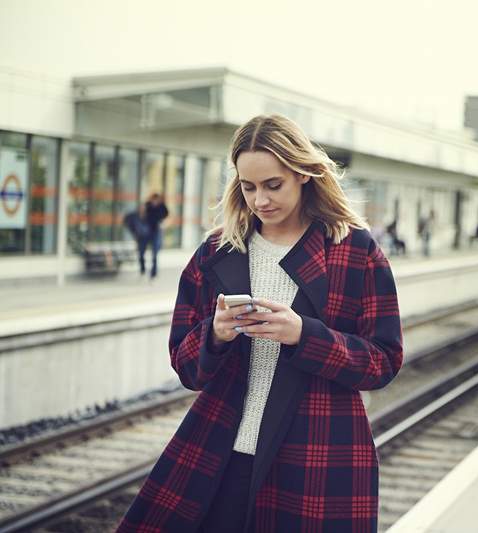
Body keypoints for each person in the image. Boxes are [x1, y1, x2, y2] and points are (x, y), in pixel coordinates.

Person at [118, 115, 404, 533]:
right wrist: (214, 333)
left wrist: (304, 335)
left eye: (273, 185)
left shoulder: (354, 251)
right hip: (222, 453)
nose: (260, 200)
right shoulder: (217, 251)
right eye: (248, 186)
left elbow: (384, 361)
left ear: (304, 175)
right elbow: (185, 367)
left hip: (314, 458)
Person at [138, 193, 168, 279]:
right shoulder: (147, 205)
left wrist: (163, 224)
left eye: (156, 200)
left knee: (155, 253)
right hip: (146, 232)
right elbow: (141, 216)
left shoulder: (162, 206)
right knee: (141, 252)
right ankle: (142, 269)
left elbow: (167, 216)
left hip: (156, 232)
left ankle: (153, 273)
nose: (155, 202)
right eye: (153, 200)